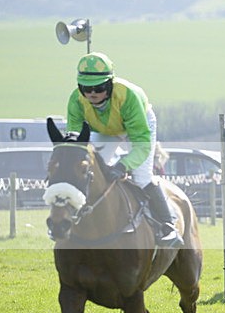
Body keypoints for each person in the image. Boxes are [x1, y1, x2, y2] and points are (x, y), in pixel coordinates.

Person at [66, 52, 183, 247]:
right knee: (90, 171)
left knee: (141, 176)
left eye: (98, 88)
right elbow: (75, 139)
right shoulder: (76, 100)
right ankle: (73, 221)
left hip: (139, 126)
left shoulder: (127, 96)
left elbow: (141, 143)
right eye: (85, 88)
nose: (92, 93)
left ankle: (168, 226)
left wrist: (123, 165)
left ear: (110, 84)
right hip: (107, 130)